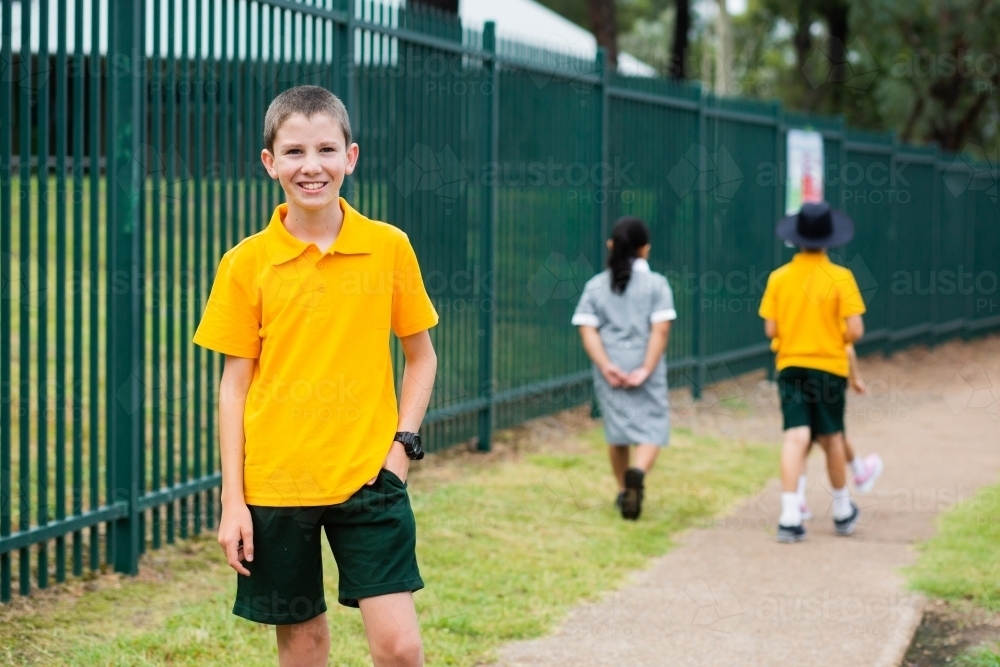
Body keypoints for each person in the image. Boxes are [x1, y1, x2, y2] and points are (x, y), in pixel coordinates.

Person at [193, 85, 439, 667]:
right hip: (275, 486)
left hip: (369, 480)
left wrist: (401, 449)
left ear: (350, 157)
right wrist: (234, 500)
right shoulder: (244, 263)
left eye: (327, 150)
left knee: (400, 648)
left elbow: (421, 357)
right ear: (270, 162)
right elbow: (234, 386)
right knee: (304, 646)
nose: (312, 167)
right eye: (295, 152)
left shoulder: (388, 248)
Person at [758, 202, 866, 543]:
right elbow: (856, 330)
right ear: (829, 240)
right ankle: (841, 509)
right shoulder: (841, 278)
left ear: (797, 239)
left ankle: (790, 515)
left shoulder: (779, 278)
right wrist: (835, 336)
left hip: (790, 365)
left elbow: (770, 329)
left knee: (796, 436)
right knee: (832, 436)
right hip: (829, 367)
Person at [572, 217, 676, 520]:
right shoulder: (657, 285)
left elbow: (588, 330)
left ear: (611, 246)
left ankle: (623, 489)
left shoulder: (595, 286)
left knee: (617, 431)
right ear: (646, 248)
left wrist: (606, 366)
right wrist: (645, 368)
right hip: (646, 364)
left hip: (612, 365)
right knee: (652, 426)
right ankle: (638, 472)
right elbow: (661, 331)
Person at [797, 343, 884, 520]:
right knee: (831, 432)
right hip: (828, 370)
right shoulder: (829, 317)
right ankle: (844, 503)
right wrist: (855, 377)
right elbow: (848, 344)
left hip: (794, 369)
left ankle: (797, 500)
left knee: (804, 436)